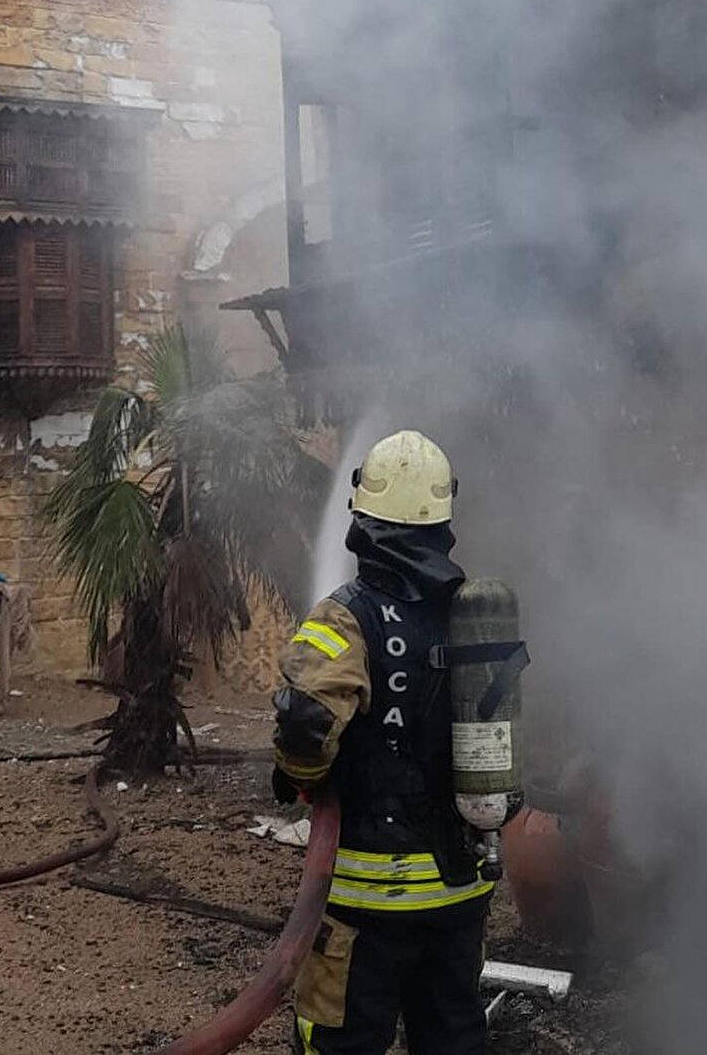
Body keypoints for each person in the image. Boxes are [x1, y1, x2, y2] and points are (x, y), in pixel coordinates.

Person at [272, 429, 492, 1055]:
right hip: (460, 889)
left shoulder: (346, 616)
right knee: (452, 1038)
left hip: (367, 899)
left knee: (339, 1039)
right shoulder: (474, 613)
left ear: (363, 517)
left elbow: (306, 724)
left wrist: (303, 778)